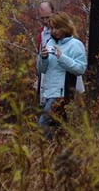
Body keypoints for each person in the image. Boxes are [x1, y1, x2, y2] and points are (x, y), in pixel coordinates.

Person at [36, 11, 87, 139]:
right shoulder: (49, 43)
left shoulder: (76, 45)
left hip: (62, 94)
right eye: (52, 28)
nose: (54, 31)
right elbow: (41, 69)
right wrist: (43, 58)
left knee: (42, 124)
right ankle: (58, 152)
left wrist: (62, 57)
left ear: (65, 27)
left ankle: (48, 150)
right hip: (48, 92)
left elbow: (80, 69)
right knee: (60, 127)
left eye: (57, 27)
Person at [36, 1, 54, 106]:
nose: (45, 21)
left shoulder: (63, 30)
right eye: (42, 18)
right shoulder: (42, 34)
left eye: (47, 17)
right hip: (46, 79)